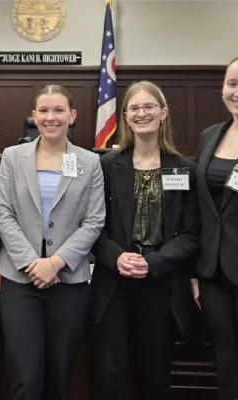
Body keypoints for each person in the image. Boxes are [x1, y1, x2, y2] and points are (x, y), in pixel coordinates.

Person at [0, 84, 106, 400]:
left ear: (72, 116)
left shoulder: (89, 162)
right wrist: (34, 264)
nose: (51, 117)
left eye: (58, 110)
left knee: (60, 375)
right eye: (43, 110)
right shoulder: (12, 157)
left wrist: (55, 262)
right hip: (19, 280)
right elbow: (3, 213)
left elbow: (94, 220)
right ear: (34, 116)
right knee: (24, 377)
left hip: (69, 282)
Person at [89, 81, 199, 400]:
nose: (142, 113)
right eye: (134, 108)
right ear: (125, 117)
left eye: (149, 106)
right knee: (110, 374)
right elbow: (93, 226)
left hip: (160, 284)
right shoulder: (107, 165)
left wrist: (153, 262)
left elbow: (191, 234)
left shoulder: (185, 169)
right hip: (114, 284)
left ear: (163, 113)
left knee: (154, 373)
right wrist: (116, 258)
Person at [191, 56, 238, 400]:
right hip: (213, 274)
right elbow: (201, 209)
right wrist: (195, 273)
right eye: (233, 83)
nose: (236, 92)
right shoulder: (210, 136)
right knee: (225, 360)